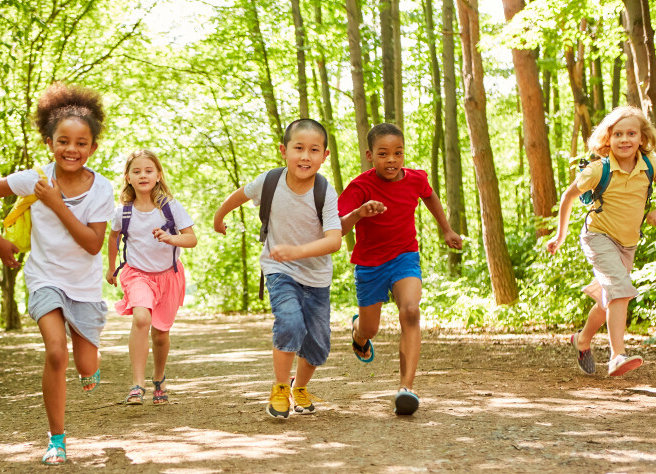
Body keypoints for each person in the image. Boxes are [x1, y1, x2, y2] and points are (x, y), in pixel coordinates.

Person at [0, 83, 113, 465]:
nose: (72, 150)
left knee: (86, 364)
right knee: (54, 352)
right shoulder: (34, 178)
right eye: (63, 141)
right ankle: (57, 440)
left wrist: (56, 203)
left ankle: (91, 367)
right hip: (44, 278)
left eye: (81, 143)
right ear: (50, 143)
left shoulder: (103, 189)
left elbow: (93, 244)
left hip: (83, 285)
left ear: (93, 148)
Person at [213, 118, 343, 419]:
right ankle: (281, 388)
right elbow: (240, 194)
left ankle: (300, 388)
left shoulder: (325, 192)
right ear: (284, 151)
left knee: (318, 345)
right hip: (278, 270)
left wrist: (297, 251)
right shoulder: (269, 181)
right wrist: (220, 216)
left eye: (314, 150)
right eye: (298, 148)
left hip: (317, 277)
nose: (305, 156)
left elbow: (334, 241)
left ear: (324, 156)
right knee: (290, 322)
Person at [338, 122, 463, 416]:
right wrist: (358, 213)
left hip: (405, 256)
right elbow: (338, 227)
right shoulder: (360, 186)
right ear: (370, 155)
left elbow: (429, 195)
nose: (391, 159)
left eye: (398, 153)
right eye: (383, 154)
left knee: (410, 311)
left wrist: (446, 230)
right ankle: (358, 333)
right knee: (371, 329)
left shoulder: (416, 179)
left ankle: (406, 389)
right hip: (369, 264)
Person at [547, 106, 656, 377]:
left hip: (628, 243)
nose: (624, 139)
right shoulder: (598, 170)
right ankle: (617, 356)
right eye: (617, 134)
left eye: (631, 133)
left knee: (607, 299)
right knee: (620, 288)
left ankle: (582, 340)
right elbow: (567, 196)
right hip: (597, 237)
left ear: (642, 138)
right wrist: (559, 236)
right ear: (607, 139)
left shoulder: (651, 164)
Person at [107, 149, 197, 405]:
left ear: (158, 176)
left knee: (160, 334)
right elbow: (113, 238)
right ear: (128, 177)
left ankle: (159, 378)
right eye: (136, 171)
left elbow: (191, 238)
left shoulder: (170, 208)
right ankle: (137, 384)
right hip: (137, 274)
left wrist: (171, 238)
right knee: (141, 317)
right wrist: (111, 266)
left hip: (169, 276)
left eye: (148, 170)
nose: (142, 175)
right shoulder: (122, 212)